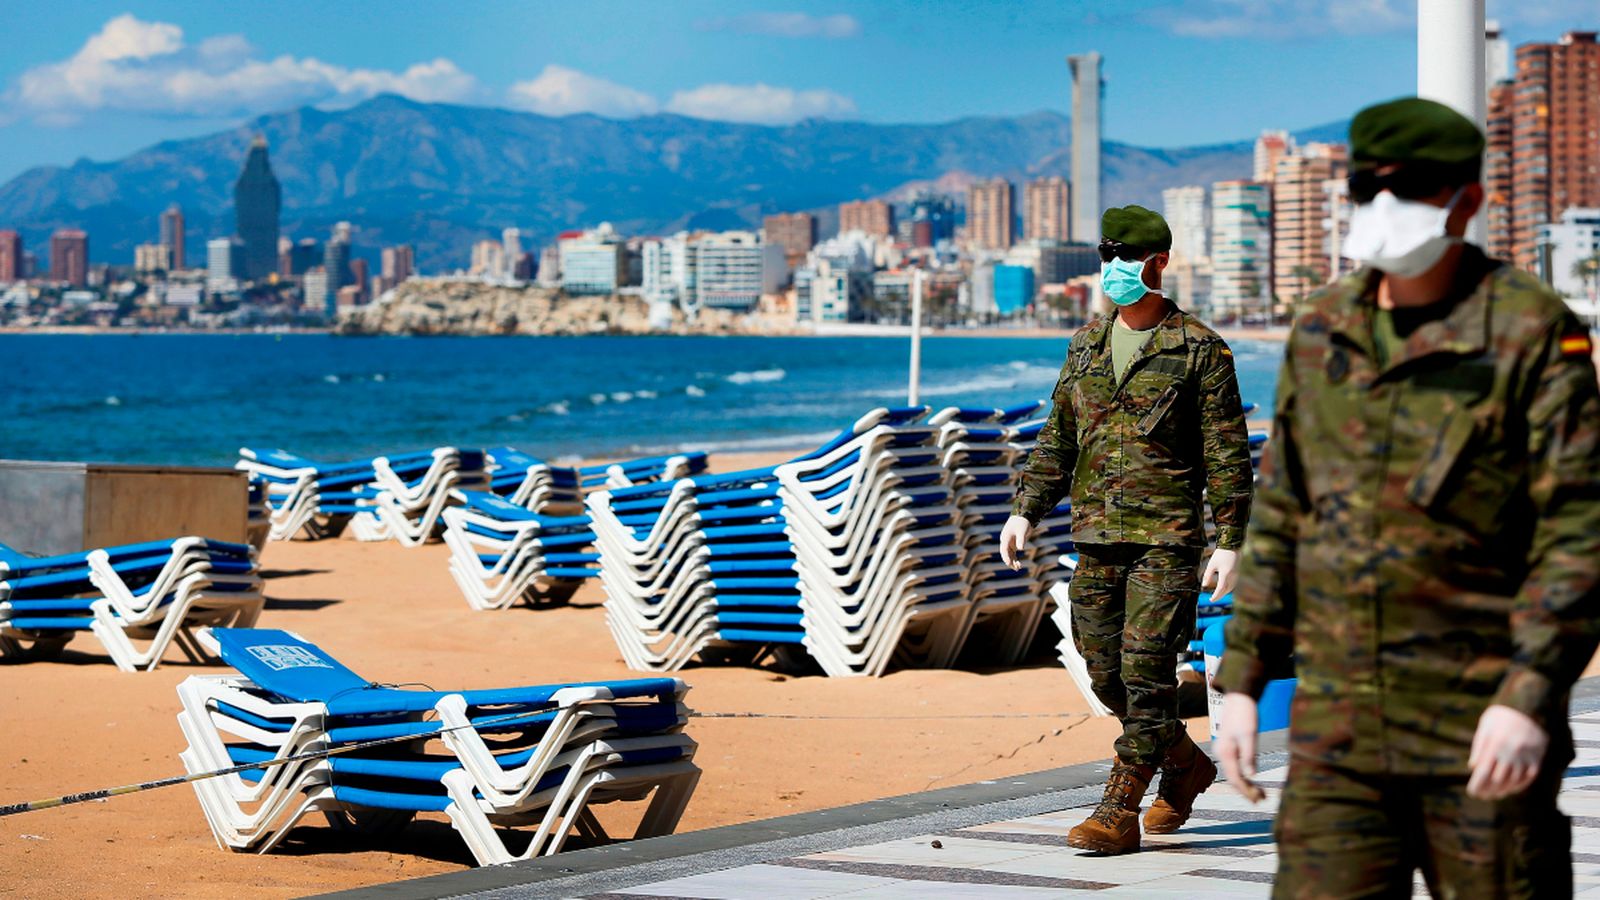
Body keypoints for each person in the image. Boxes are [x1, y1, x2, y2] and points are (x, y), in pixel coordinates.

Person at [1213, 97, 1600, 897]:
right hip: (1336, 738)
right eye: (1367, 185)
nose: (1385, 206)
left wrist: (1529, 698)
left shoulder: (1528, 333)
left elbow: (1579, 533)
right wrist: (1243, 683)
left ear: (1469, 200)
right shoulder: (1323, 332)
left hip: (1480, 728)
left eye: (1414, 187)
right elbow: (1282, 515)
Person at [1000, 204, 1254, 854]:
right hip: (1096, 537)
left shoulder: (1198, 349)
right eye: (1106, 259)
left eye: (1126, 259)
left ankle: (1119, 808)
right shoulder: (1085, 346)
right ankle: (1187, 764)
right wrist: (1026, 507)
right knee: (1104, 672)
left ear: (1159, 264)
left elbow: (1227, 450)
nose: (1113, 271)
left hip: (1166, 541)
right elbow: (1057, 436)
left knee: (1145, 674)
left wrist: (1230, 538)